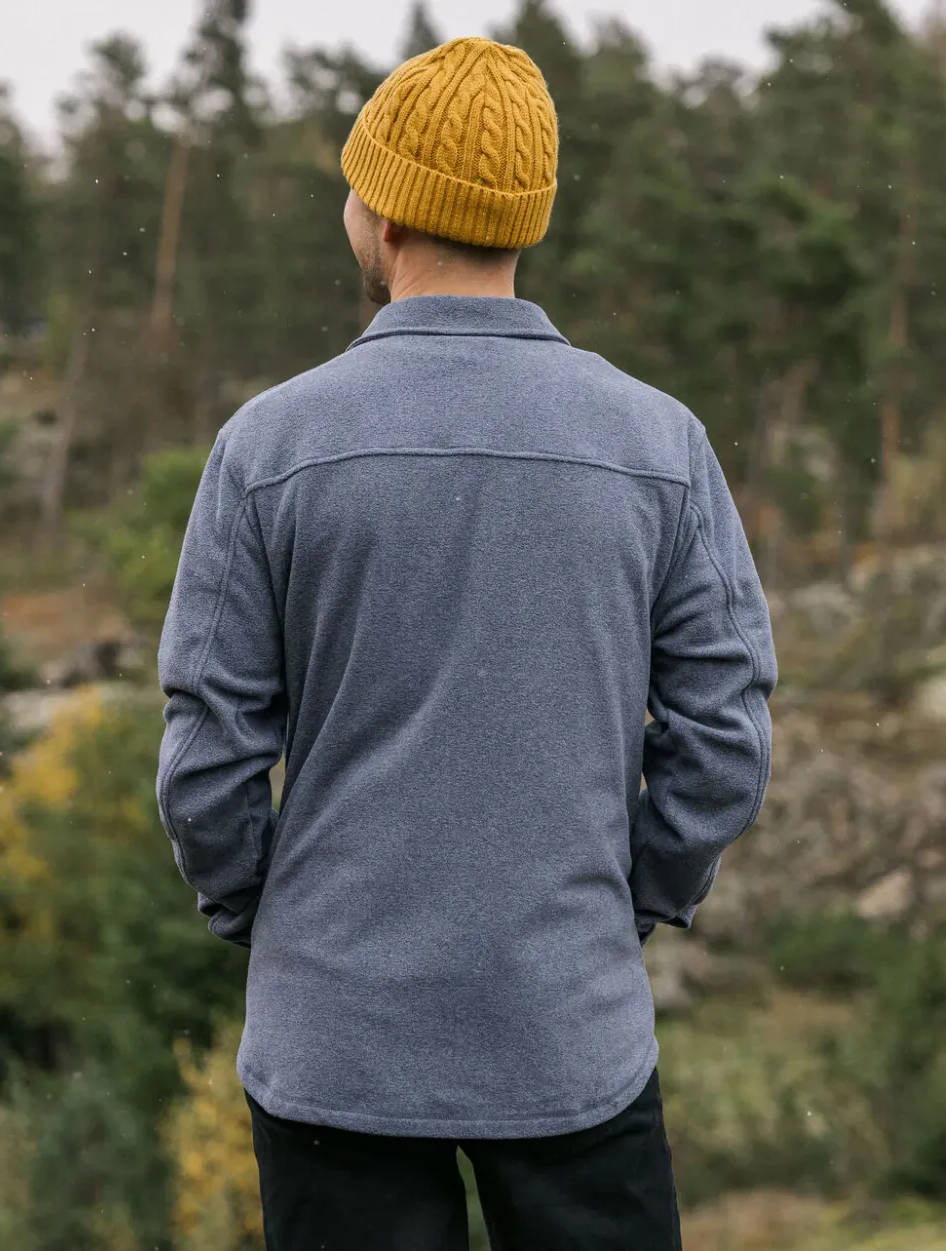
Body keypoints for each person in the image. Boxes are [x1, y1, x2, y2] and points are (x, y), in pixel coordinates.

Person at [155, 33, 777, 1251]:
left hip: (335, 1042)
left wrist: (268, 918)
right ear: (520, 221)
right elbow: (725, 740)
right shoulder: (658, 444)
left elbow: (209, 756)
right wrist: (623, 906)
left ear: (383, 215)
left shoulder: (269, 447)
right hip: (569, 1031)